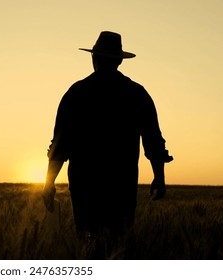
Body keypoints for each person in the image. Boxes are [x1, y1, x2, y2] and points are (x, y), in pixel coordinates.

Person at [42, 31, 173, 239]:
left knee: (87, 240)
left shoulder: (76, 93)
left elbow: (60, 145)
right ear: (120, 61)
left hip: (84, 185)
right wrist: (159, 177)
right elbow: (153, 140)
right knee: (117, 242)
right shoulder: (137, 94)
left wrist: (49, 183)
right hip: (122, 184)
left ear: (93, 58)